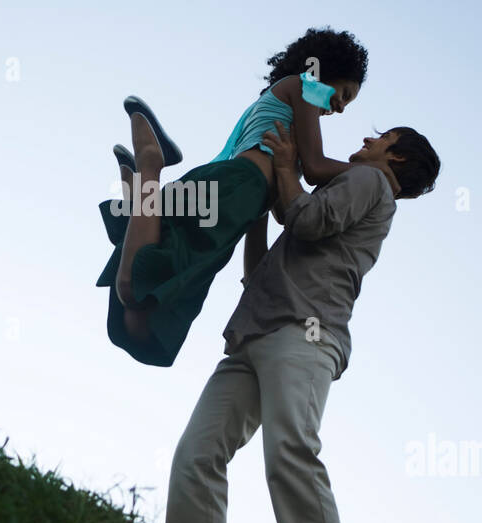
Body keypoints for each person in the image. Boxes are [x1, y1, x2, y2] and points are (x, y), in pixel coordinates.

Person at [164, 119, 440, 523]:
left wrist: (288, 166)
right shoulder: (356, 187)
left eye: (381, 138)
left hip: (303, 334)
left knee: (290, 451)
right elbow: (260, 269)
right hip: (257, 334)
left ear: (396, 158)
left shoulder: (372, 182)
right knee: (199, 451)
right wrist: (256, 216)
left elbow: (307, 219)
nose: (365, 140)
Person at [95, 27, 396, 367]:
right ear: (328, 71)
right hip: (238, 187)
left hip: (232, 191)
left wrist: (257, 263)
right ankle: (149, 163)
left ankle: (139, 189)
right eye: (344, 93)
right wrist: (379, 176)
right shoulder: (305, 87)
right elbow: (314, 167)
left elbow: (281, 210)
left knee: (141, 328)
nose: (341, 107)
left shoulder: (280, 104)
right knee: (138, 290)